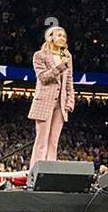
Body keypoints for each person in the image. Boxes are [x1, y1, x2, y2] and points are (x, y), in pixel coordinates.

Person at [28, 25, 75, 173]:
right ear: (50, 37)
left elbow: (69, 81)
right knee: (42, 141)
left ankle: (49, 173)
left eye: (64, 36)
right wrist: (60, 67)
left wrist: (70, 101)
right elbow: (43, 78)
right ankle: (35, 172)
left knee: (53, 142)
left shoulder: (67, 56)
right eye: (59, 35)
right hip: (44, 102)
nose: (62, 38)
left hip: (60, 104)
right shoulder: (40, 55)